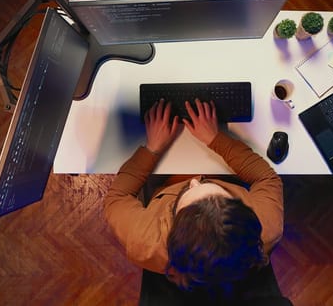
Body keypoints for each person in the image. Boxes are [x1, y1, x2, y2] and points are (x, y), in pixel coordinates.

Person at [104, 98, 288, 304]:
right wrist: (216, 138)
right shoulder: (266, 227)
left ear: (173, 233)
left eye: (188, 196)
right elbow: (266, 178)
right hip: (222, 166)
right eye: (221, 195)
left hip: (165, 181)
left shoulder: (143, 239)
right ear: (244, 210)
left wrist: (152, 148)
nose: (194, 181)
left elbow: (117, 197)